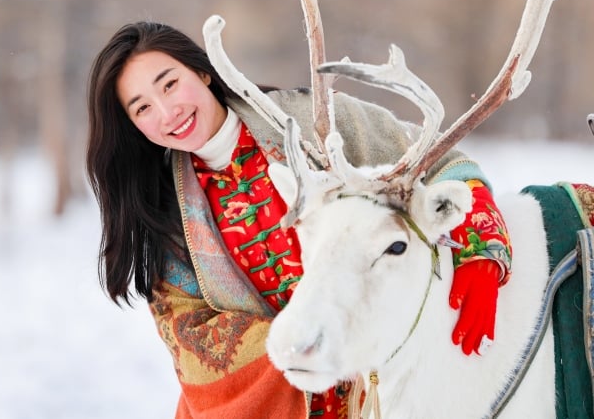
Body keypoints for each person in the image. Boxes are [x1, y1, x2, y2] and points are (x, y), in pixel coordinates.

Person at [86, 21, 511, 419]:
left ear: (203, 73)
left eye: (170, 84)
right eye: (142, 108)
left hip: (393, 372)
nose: (167, 113)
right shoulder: (165, 213)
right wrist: (309, 345)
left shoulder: (316, 122)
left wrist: (479, 250)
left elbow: (445, 166)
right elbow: (190, 336)